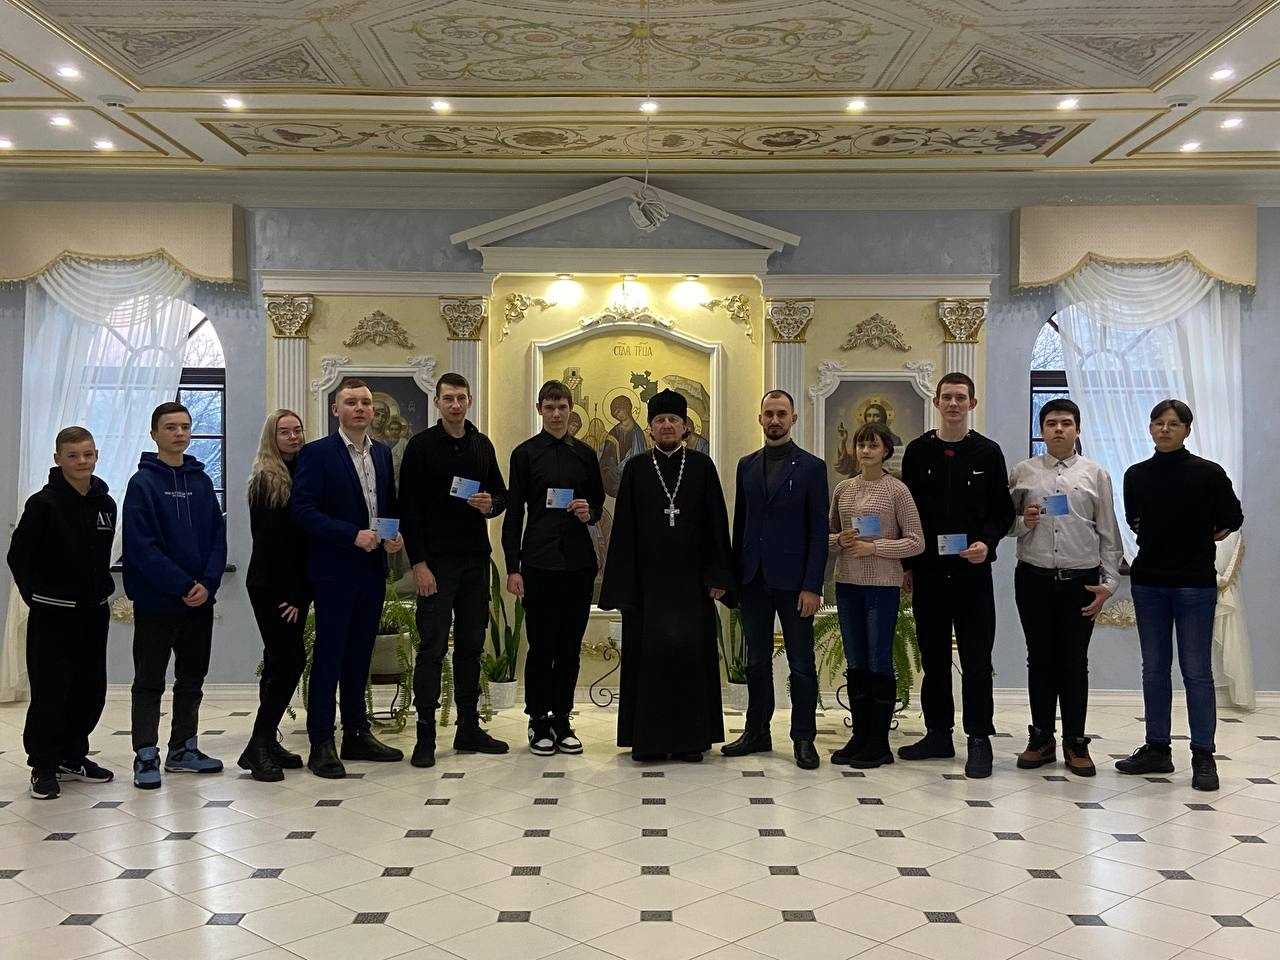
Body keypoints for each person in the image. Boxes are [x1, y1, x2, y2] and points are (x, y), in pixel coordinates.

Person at [600, 389, 735, 762]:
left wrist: (718, 576)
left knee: (690, 659)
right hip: (648, 588)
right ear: (650, 428)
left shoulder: (703, 467)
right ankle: (649, 741)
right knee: (650, 661)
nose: (666, 426)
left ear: (685, 426)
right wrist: (623, 589)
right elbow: (623, 530)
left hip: (693, 585)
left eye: (673, 419)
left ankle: (692, 740)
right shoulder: (636, 468)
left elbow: (716, 524)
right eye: (659, 420)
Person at [1116, 399, 1242, 791]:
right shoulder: (1136, 475)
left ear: (1187, 429)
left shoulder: (1208, 473)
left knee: (1196, 670)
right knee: (1154, 668)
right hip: (1149, 582)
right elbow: (1135, 521)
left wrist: (1198, 536)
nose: (1165, 429)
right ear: (1150, 429)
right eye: (1158, 423)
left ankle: (1203, 755)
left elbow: (1232, 519)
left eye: (1173, 423)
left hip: (1194, 584)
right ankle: (1157, 748)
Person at [897, 372, 1014, 779]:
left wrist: (987, 543)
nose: (953, 404)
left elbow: (1003, 511)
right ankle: (938, 734)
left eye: (961, 398)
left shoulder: (988, 452)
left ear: (972, 404)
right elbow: (906, 514)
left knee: (977, 660)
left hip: (972, 573)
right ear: (937, 402)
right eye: (947, 397)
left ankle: (979, 738)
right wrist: (907, 566)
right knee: (933, 659)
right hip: (929, 573)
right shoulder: (917, 452)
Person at [292, 378, 405, 778]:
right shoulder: (317, 454)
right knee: (330, 656)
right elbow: (303, 511)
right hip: (334, 571)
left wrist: (392, 535)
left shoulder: (382, 453)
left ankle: (357, 733)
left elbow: (385, 505)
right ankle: (321, 742)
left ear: (374, 411)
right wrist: (350, 534)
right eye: (351, 402)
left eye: (366, 403)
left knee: (360, 655)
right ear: (336, 410)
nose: (360, 408)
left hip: (372, 571)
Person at [400, 372, 510, 767]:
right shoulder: (421, 446)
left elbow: (501, 494)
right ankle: (425, 736)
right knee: (431, 649)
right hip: (435, 564)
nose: (456, 405)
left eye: (461, 398)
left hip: (475, 561)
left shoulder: (482, 445)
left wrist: (491, 505)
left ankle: (468, 728)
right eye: (448, 398)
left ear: (470, 401)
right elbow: (408, 509)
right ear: (438, 402)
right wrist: (419, 564)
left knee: (471, 646)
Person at [1007, 399, 1122, 777]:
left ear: (1077, 429)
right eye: (1051, 423)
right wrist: (1023, 522)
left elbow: (1109, 533)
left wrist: (1108, 584)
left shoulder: (1095, 474)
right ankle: (1041, 738)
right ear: (1041, 430)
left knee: (1074, 662)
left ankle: (1075, 741)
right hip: (1034, 579)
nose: (1058, 429)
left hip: (1080, 581)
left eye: (1066, 423)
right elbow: (1005, 525)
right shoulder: (1023, 472)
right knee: (1039, 659)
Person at [7, 426, 117, 800]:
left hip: (94, 613)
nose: (81, 461)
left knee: (90, 689)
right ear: (58, 459)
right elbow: (18, 557)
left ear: (96, 455)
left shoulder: (106, 503)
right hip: (53, 616)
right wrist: (39, 598)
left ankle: (72, 756)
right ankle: (43, 765)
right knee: (51, 690)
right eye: (73, 455)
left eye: (88, 454)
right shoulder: (43, 504)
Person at [123, 402, 228, 789]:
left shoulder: (201, 481)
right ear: (154, 434)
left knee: (192, 678)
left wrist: (208, 584)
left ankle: (183, 749)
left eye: (185, 426)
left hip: (200, 603)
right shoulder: (142, 483)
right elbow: (142, 547)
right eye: (170, 427)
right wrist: (183, 585)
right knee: (149, 680)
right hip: (157, 602)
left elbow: (217, 538)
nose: (179, 433)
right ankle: (145, 754)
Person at [724, 390, 828, 770]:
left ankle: (803, 737)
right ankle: (757, 732)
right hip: (753, 579)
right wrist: (735, 579)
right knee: (756, 662)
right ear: (760, 418)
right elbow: (741, 525)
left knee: (801, 664)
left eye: (781, 414)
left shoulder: (812, 468)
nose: (775, 420)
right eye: (769, 413)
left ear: (793, 418)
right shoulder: (746, 465)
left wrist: (813, 586)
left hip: (795, 582)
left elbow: (818, 532)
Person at [502, 380, 605, 756]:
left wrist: (589, 511)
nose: (557, 414)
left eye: (562, 407)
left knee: (569, 647)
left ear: (571, 409)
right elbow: (514, 513)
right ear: (539, 409)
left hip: (577, 564)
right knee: (541, 646)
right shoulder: (525, 454)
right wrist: (512, 567)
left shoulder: (585, 454)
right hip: (538, 563)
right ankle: (537, 720)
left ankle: (562, 719)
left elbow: (597, 504)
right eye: (550, 407)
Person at [829, 421, 924, 769]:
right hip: (847, 584)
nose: (866, 451)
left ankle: (879, 742)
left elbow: (916, 541)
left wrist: (876, 547)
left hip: (882, 586)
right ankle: (860, 735)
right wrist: (840, 540)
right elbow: (827, 536)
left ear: (885, 451)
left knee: (878, 660)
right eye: (861, 445)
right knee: (855, 661)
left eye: (873, 445)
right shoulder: (843, 489)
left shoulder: (897, 491)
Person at [237, 410, 312, 782]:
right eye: (285, 432)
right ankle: (257, 745)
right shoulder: (268, 478)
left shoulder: (300, 470)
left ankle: (267, 741)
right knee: (289, 661)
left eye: (297, 430)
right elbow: (272, 543)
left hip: (293, 584)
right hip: (273, 586)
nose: (293, 436)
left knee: (277, 662)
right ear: (272, 436)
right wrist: (292, 595)